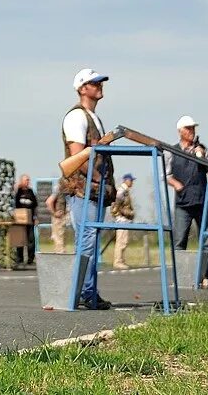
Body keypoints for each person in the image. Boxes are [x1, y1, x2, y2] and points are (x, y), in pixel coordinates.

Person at [59, 68, 114, 310]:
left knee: (90, 241)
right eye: (94, 83)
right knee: (87, 242)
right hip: (84, 190)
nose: (99, 86)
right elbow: (78, 156)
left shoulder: (93, 118)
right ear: (82, 88)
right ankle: (82, 292)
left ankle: (88, 291)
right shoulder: (77, 117)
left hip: (94, 191)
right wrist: (99, 179)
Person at [166, 114, 208, 289]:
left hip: (201, 200)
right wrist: (176, 184)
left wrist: (201, 157)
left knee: (207, 240)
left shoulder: (202, 148)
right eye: (188, 129)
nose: (191, 132)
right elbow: (167, 176)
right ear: (180, 131)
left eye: (193, 128)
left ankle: (205, 277)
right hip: (182, 203)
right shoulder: (172, 151)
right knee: (179, 241)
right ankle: (181, 277)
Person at [110, 173, 136, 270]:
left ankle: (121, 260)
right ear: (126, 180)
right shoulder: (122, 191)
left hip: (125, 220)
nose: (132, 182)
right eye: (131, 180)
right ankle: (118, 261)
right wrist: (124, 213)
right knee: (121, 241)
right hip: (122, 219)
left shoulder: (125, 191)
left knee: (124, 241)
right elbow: (117, 205)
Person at [12, 174, 38, 266]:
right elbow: (13, 196)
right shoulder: (18, 191)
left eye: (28, 180)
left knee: (31, 240)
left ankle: (30, 259)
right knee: (20, 240)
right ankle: (20, 259)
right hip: (19, 220)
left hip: (30, 220)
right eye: (26, 180)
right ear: (22, 181)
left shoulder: (31, 191)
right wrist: (18, 186)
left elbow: (35, 205)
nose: (27, 182)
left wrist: (35, 217)